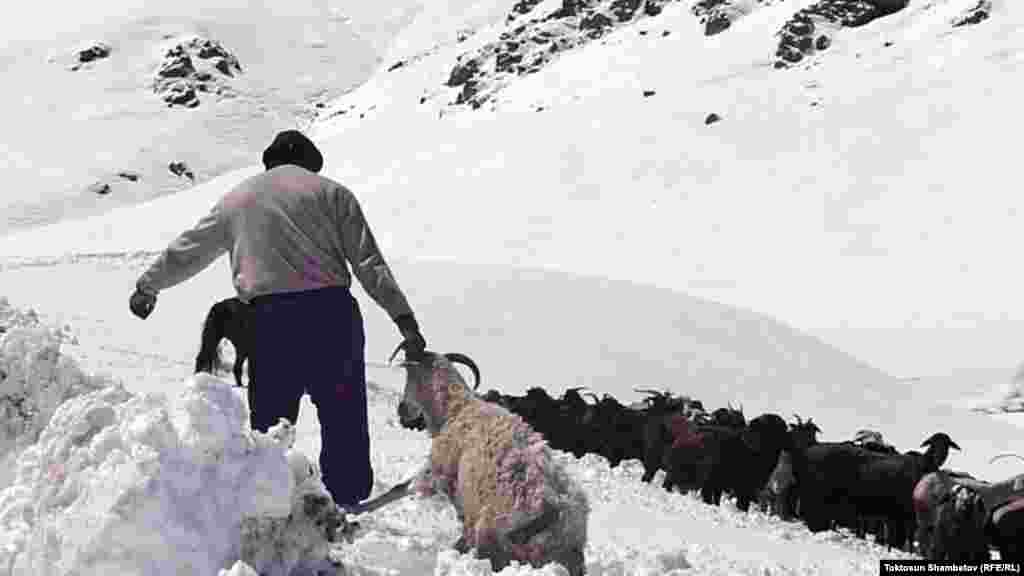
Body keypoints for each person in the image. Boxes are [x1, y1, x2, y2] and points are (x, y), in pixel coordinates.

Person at [129, 129, 427, 510]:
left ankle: (266, 507)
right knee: (343, 418)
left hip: (270, 322)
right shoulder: (332, 193)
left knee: (270, 425)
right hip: (331, 316)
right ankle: (348, 502)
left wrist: (147, 286)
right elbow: (370, 265)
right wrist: (405, 321)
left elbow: (188, 250)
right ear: (311, 162)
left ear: (269, 161)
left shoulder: (239, 199)